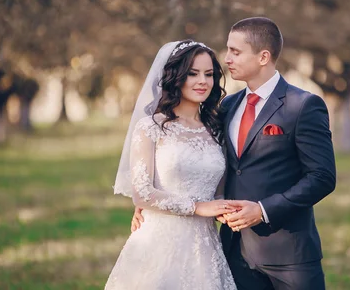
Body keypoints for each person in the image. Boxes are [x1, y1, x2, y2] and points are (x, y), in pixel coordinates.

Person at [132, 17, 336, 290]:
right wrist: (152, 201)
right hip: (232, 252)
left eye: (235, 52)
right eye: (227, 50)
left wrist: (263, 210)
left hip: (289, 254)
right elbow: (203, 163)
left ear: (263, 57)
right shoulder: (226, 107)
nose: (226, 59)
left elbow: (322, 177)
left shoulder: (303, 106)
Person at [105, 40, 237, 289]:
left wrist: (224, 208)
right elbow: (142, 193)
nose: (203, 81)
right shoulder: (151, 127)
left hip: (205, 246)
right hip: (159, 241)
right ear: (175, 76)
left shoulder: (216, 129)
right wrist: (198, 207)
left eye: (209, 74)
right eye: (192, 73)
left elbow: (219, 190)